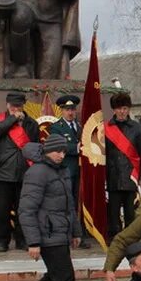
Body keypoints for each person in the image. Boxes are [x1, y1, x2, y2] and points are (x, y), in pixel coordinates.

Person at [18, 134, 106, 281]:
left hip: (60, 233)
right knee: (65, 279)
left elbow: (69, 206)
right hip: (47, 235)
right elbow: (26, 210)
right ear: (47, 150)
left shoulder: (62, 170)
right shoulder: (37, 172)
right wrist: (33, 242)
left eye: (64, 151)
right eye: (57, 151)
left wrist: (75, 232)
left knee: (56, 277)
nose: (61, 155)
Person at [0, 92, 39, 252]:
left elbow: (34, 146)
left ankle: (22, 240)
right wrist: (12, 119)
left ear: (23, 106)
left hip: (25, 173)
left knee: (23, 210)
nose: (15, 109)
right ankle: (2, 241)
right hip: (3, 173)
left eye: (18, 106)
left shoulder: (31, 123)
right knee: (2, 210)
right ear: (7, 105)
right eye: (12, 106)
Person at [105, 91, 141, 240]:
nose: (122, 112)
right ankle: (114, 240)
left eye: (124, 108)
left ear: (128, 109)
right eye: (119, 109)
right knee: (113, 212)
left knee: (131, 212)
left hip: (131, 176)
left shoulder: (136, 128)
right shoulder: (106, 128)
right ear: (114, 110)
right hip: (113, 177)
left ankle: (130, 240)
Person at [48, 94, 90, 248]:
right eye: (67, 110)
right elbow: (59, 146)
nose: (70, 112)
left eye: (72, 109)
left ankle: (79, 235)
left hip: (80, 172)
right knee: (67, 203)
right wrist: (76, 148)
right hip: (65, 172)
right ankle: (67, 234)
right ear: (61, 111)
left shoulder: (80, 127)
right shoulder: (56, 127)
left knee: (78, 203)